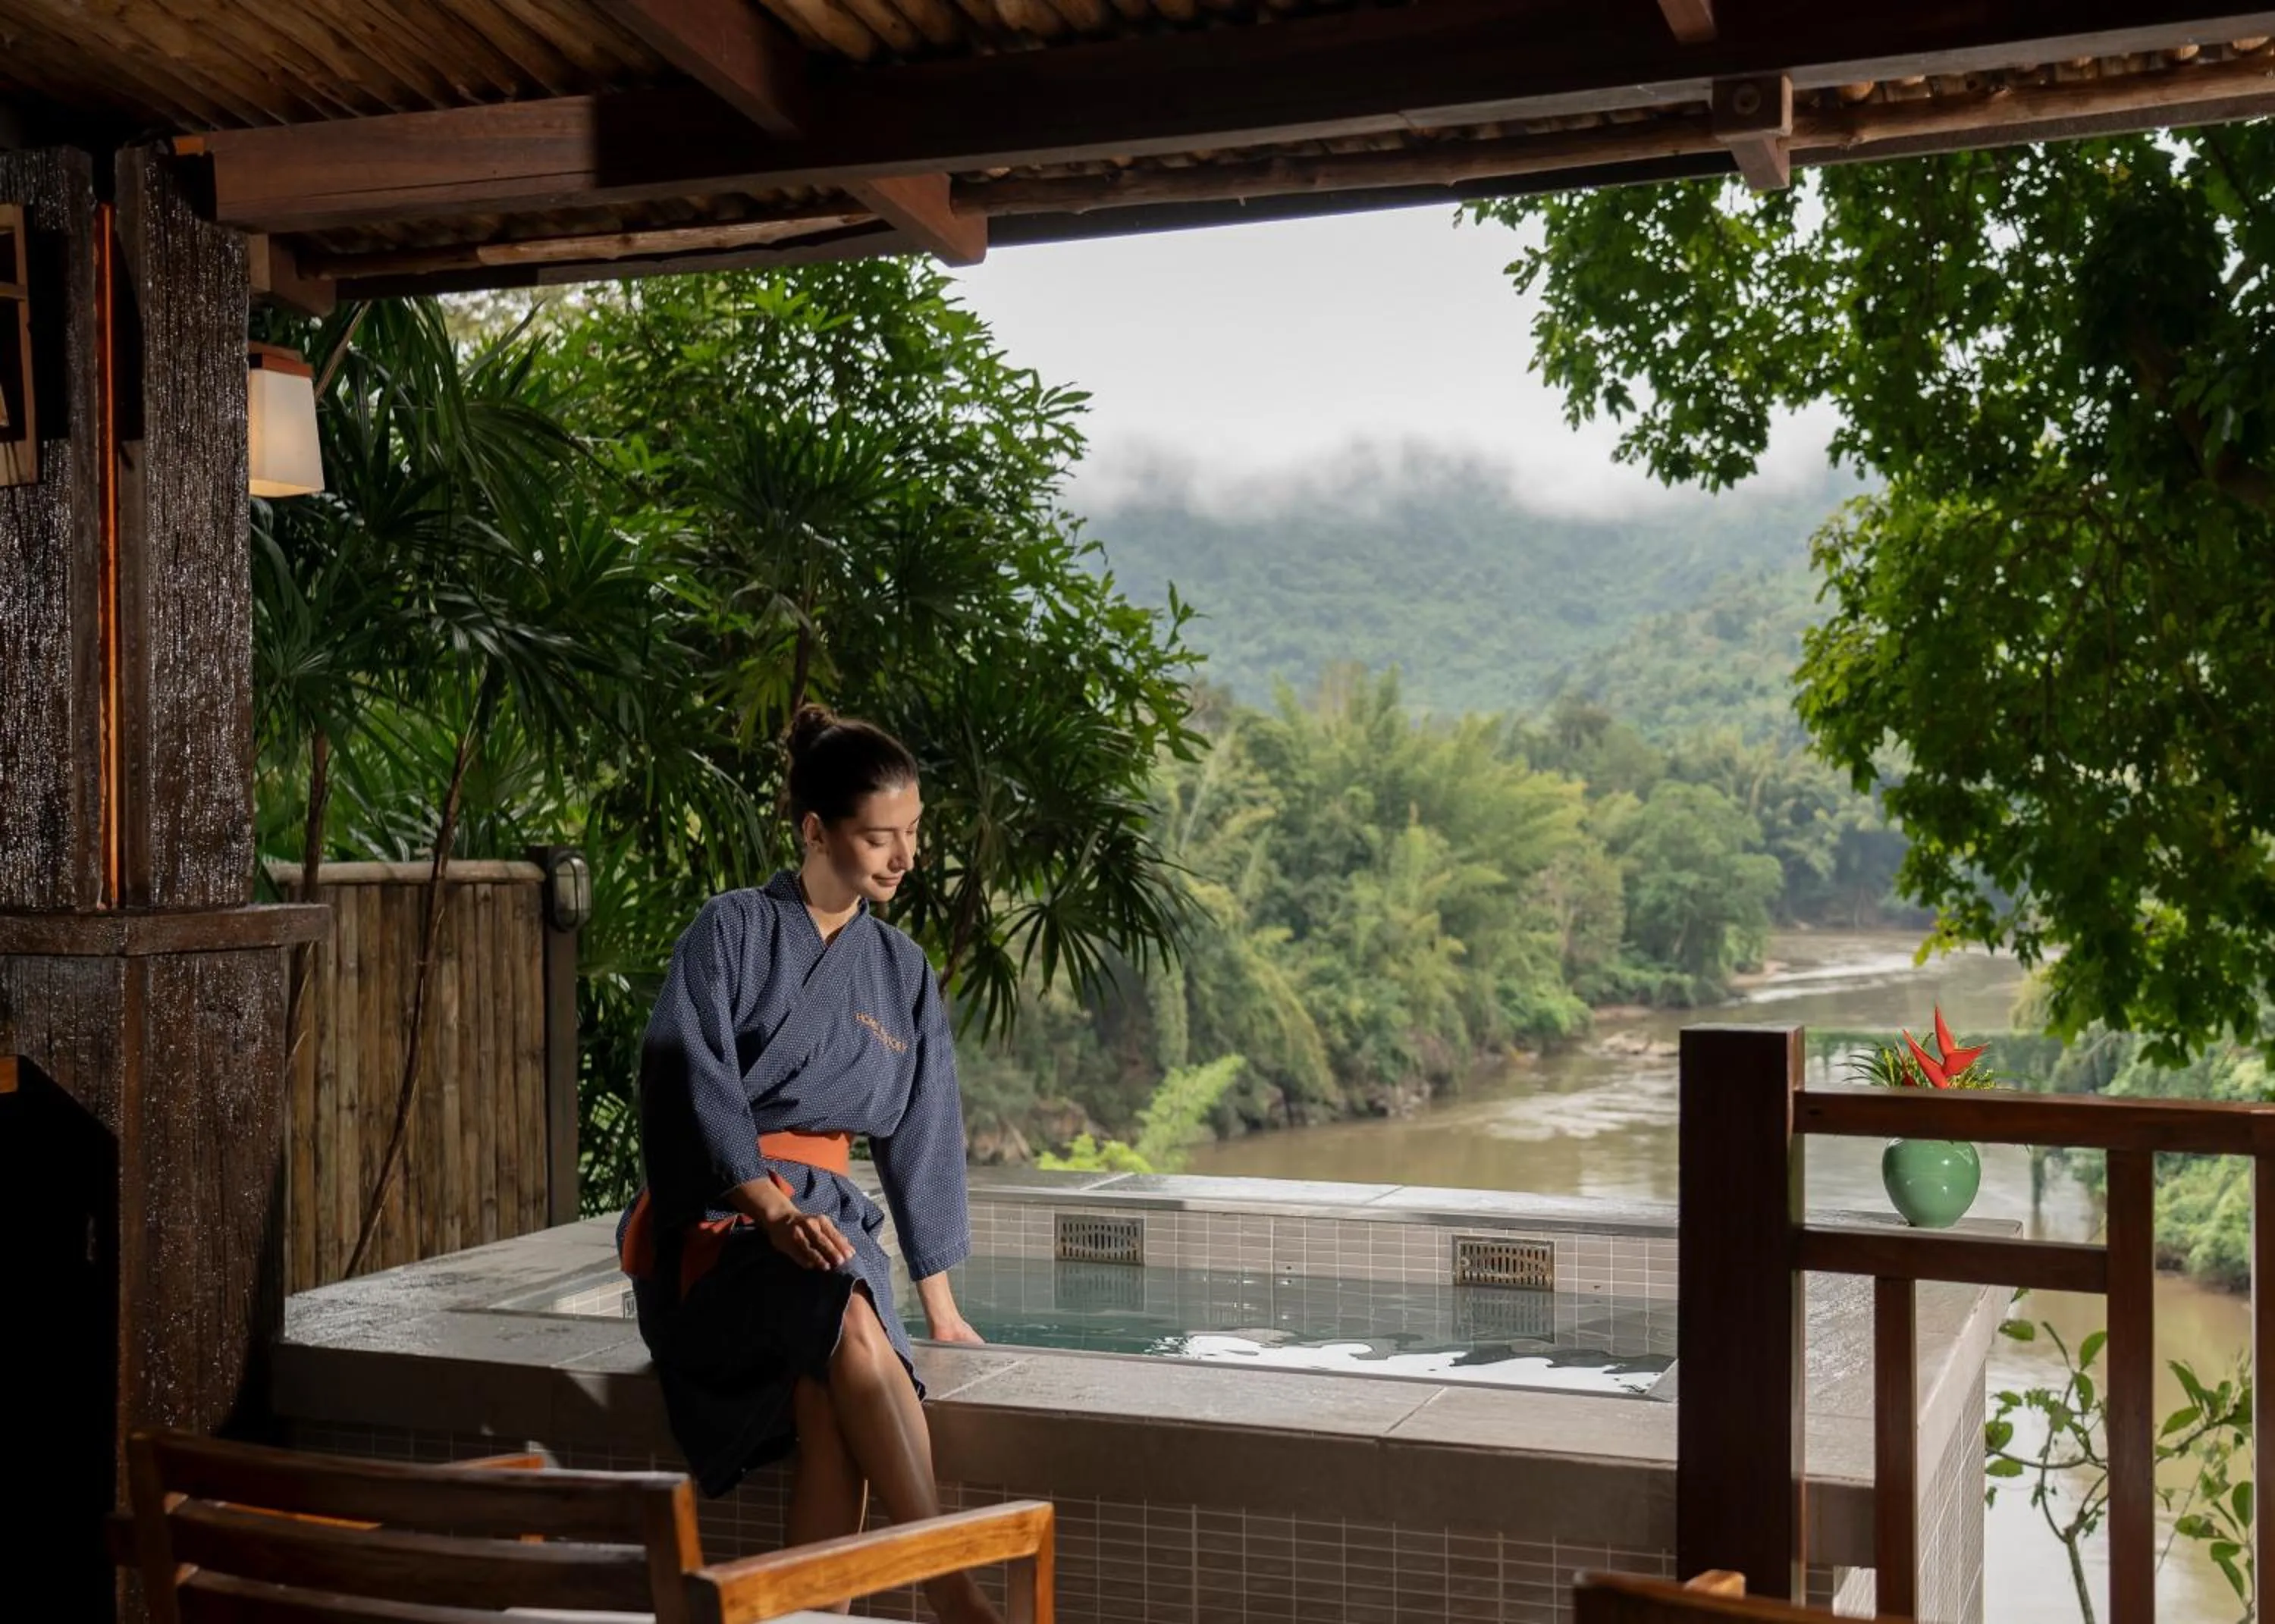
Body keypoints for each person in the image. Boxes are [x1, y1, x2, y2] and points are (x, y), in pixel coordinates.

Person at [617, 704, 996, 1624]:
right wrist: (765, 1205)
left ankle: (815, 1619)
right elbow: (684, 1076)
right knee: (853, 1324)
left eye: (913, 835)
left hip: (824, 1223)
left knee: (834, 1397)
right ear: (815, 830)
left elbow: (923, 1131)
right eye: (879, 837)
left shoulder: (901, 969)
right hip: (719, 1228)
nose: (904, 859)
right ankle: (954, 1594)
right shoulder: (734, 930)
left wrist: (944, 1311)